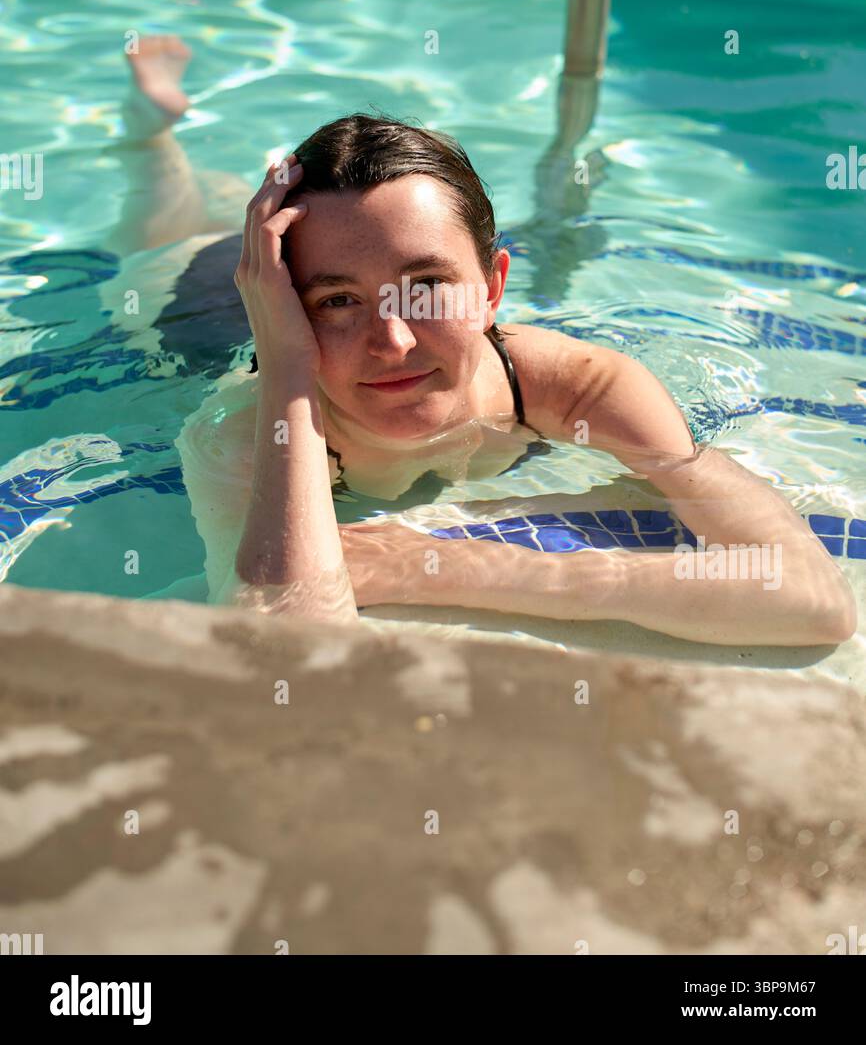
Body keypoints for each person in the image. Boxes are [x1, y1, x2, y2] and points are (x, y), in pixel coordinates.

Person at [109, 36, 857, 644]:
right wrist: (286, 373)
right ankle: (151, 146)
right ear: (286, 312)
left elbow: (809, 596)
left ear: (494, 286)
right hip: (206, 327)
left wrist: (434, 566)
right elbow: (281, 649)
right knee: (164, 254)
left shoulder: (581, 387)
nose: (393, 339)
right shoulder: (239, 431)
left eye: (426, 286)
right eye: (336, 301)